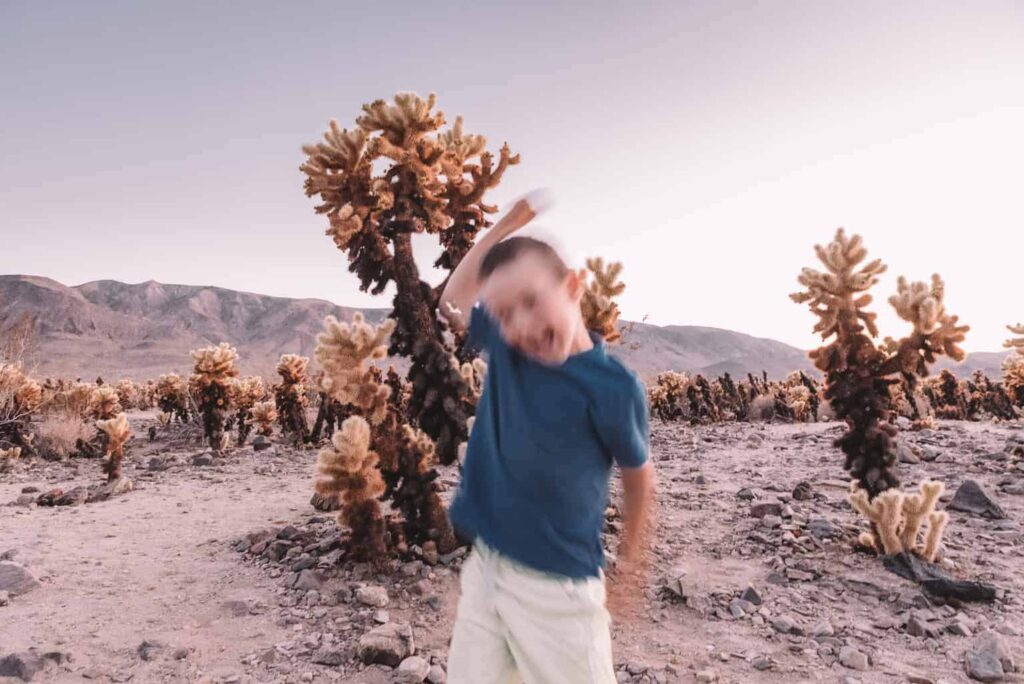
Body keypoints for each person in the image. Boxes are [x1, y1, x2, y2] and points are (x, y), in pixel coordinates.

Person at [439, 191, 655, 683]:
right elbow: (452, 300)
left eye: (533, 302)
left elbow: (639, 477)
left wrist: (629, 560)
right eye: (504, 313)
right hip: (486, 568)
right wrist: (507, 223)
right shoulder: (509, 352)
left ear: (575, 287)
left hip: (559, 589)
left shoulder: (613, 387)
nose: (521, 325)